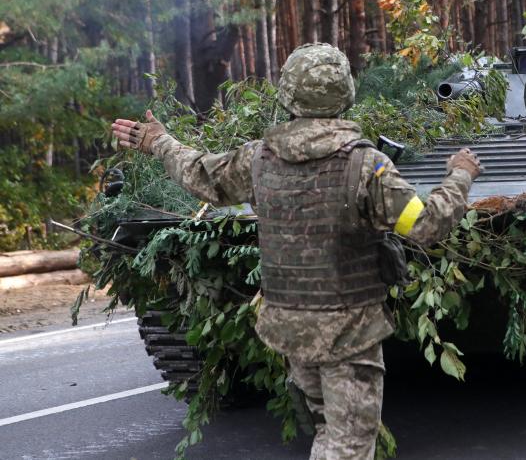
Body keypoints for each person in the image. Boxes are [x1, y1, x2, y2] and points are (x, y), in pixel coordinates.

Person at [111, 42, 481, 460]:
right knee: (350, 443)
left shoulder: (257, 157)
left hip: (289, 326)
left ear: (287, 94)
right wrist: (459, 177)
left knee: (328, 430)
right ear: (345, 93)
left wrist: (159, 141)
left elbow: (200, 174)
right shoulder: (367, 165)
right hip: (349, 331)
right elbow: (426, 226)